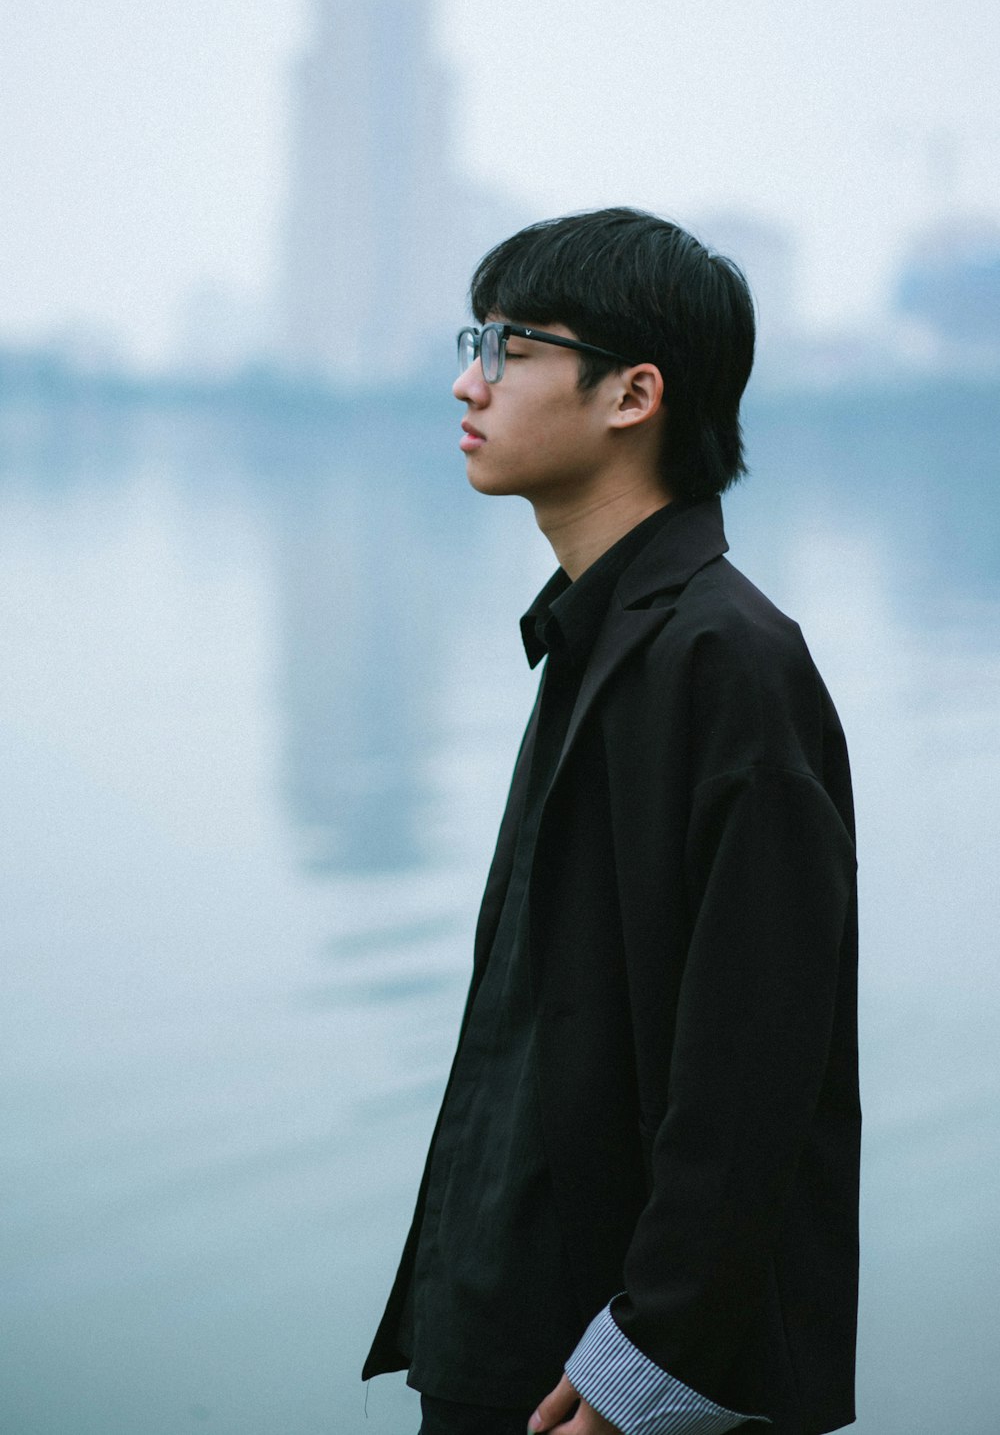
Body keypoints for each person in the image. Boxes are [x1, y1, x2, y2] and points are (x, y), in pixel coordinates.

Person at [362, 207, 860, 1435]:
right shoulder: (599, 635)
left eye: (512, 345)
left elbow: (758, 1065)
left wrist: (653, 1358)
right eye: (474, 337)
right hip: (511, 1331)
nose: (466, 380)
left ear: (633, 394)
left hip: (602, 1380)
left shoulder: (728, 661)